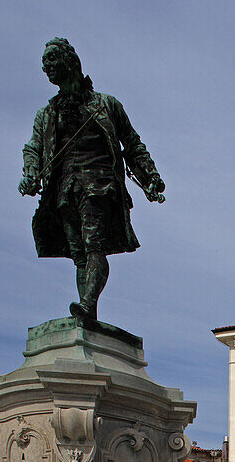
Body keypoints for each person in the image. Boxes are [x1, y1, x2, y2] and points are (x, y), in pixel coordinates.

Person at [19, 37, 165, 325]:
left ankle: (87, 303)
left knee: (93, 243)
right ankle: (88, 313)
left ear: (69, 62)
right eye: (43, 64)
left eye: (51, 62)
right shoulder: (47, 114)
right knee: (79, 254)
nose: (46, 69)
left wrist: (151, 177)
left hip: (100, 184)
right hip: (63, 189)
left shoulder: (106, 105)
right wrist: (29, 172)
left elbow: (132, 143)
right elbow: (33, 147)